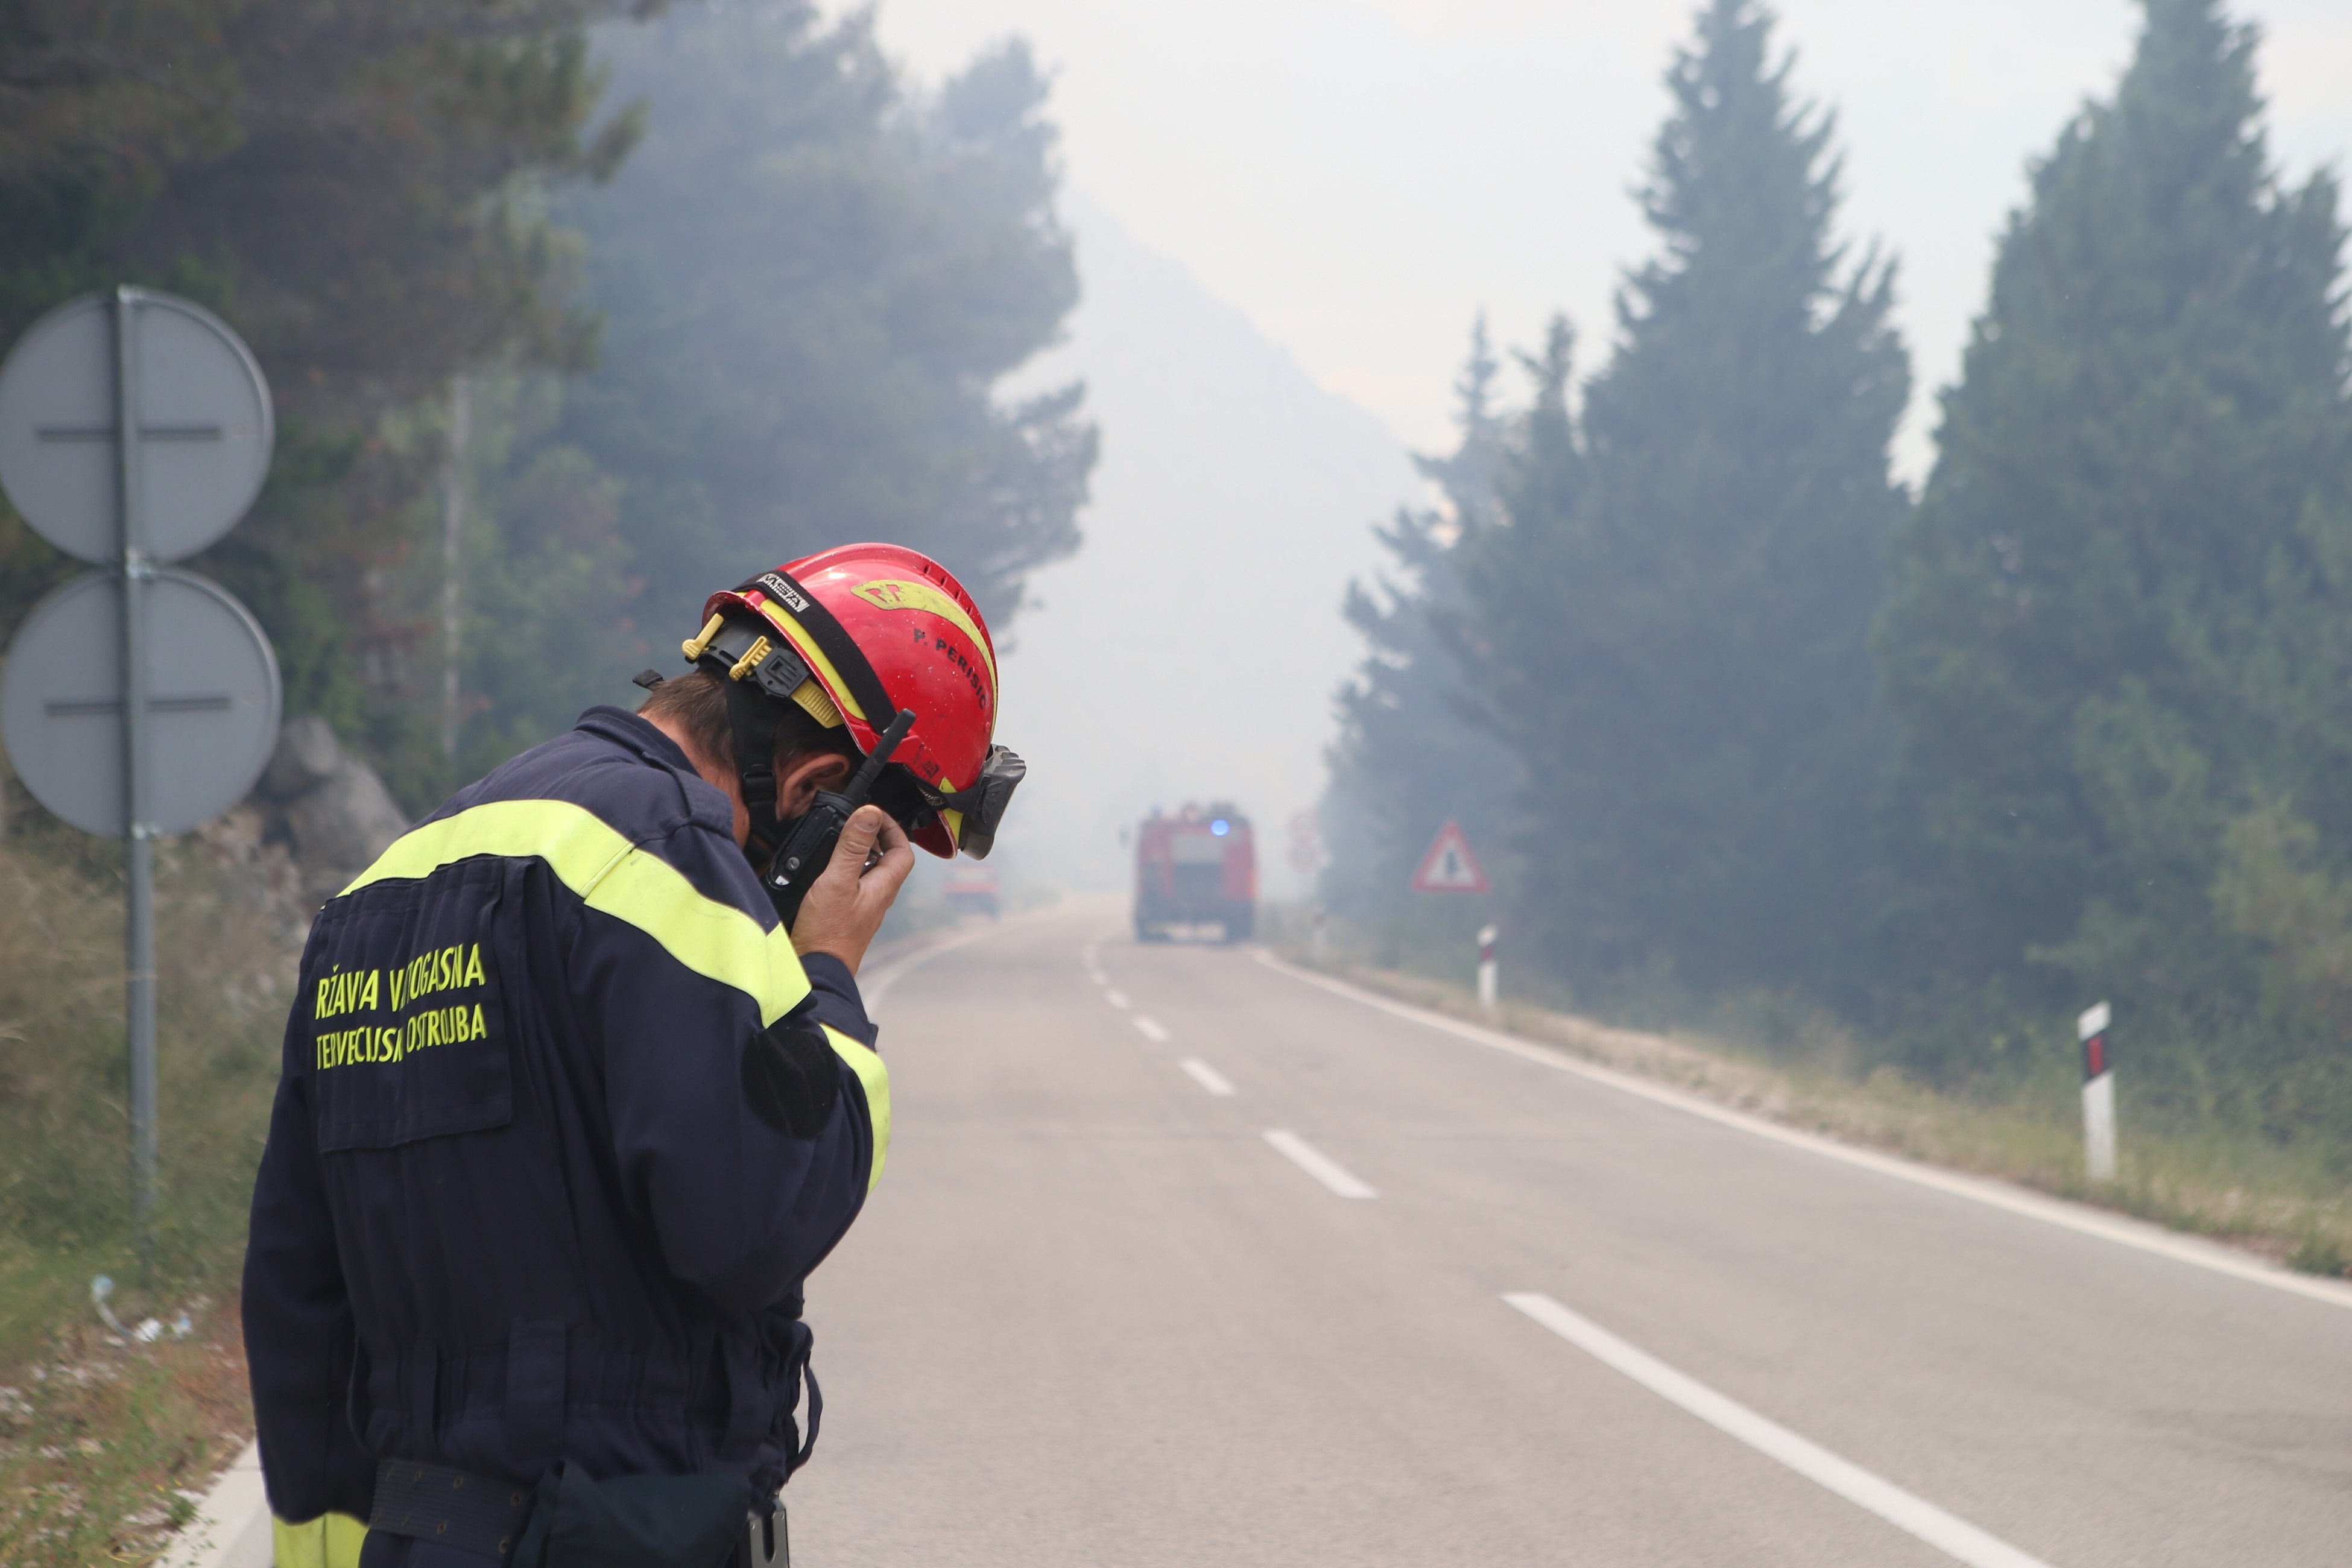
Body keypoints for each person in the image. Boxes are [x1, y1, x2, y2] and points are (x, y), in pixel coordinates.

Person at [244, 544, 1024, 1568]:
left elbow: (299, 1291)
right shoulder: (674, 859)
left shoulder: (385, 888)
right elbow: (757, 1222)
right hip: (619, 1532)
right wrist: (827, 977)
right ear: (819, 791)